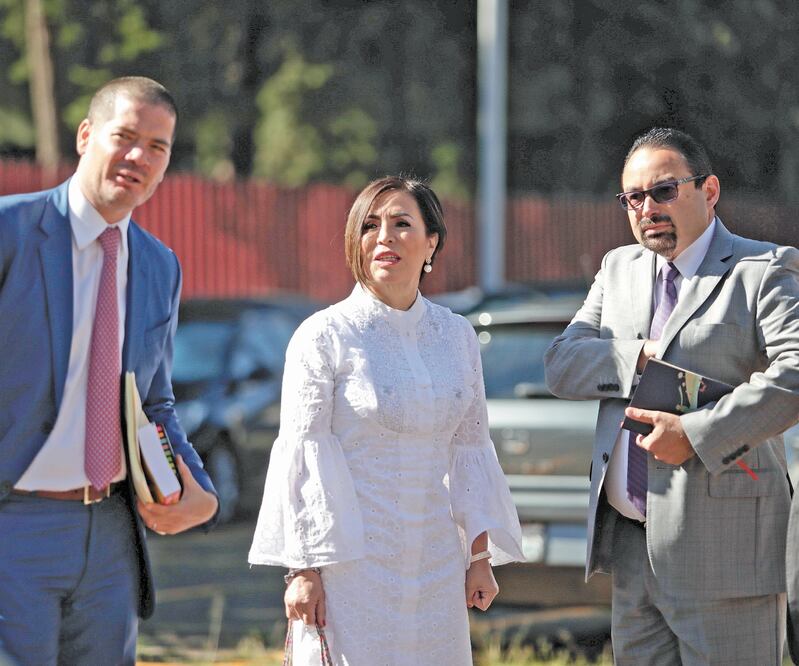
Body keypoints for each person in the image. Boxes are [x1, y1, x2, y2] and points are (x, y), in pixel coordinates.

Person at [544, 127, 799, 665]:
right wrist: (638, 355)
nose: (647, 209)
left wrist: (695, 434)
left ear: (709, 191)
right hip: (631, 551)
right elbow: (562, 365)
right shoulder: (618, 269)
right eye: (633, 198)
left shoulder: (763, 269)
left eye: (663, 191)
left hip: (727, 556)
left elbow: (794, 374)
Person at [249, 176, 523, 664]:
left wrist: (478, 558)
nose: (384, 237)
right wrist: (303, 571)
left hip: (437, 564)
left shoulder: (457, 336)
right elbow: (303, 459)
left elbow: (471, 452)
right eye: (369, 225)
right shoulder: (324, 335)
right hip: (350, 568)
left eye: (401, 224)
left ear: (431, 242)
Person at [0, 76, 219, 665]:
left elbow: (153, 403)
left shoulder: (159, 265)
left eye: (157, 147)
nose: (138, 157)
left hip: (112, 538)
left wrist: (198, 491)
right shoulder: (8, 232)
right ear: (85, 136)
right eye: (124, 137)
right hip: (13, 523)